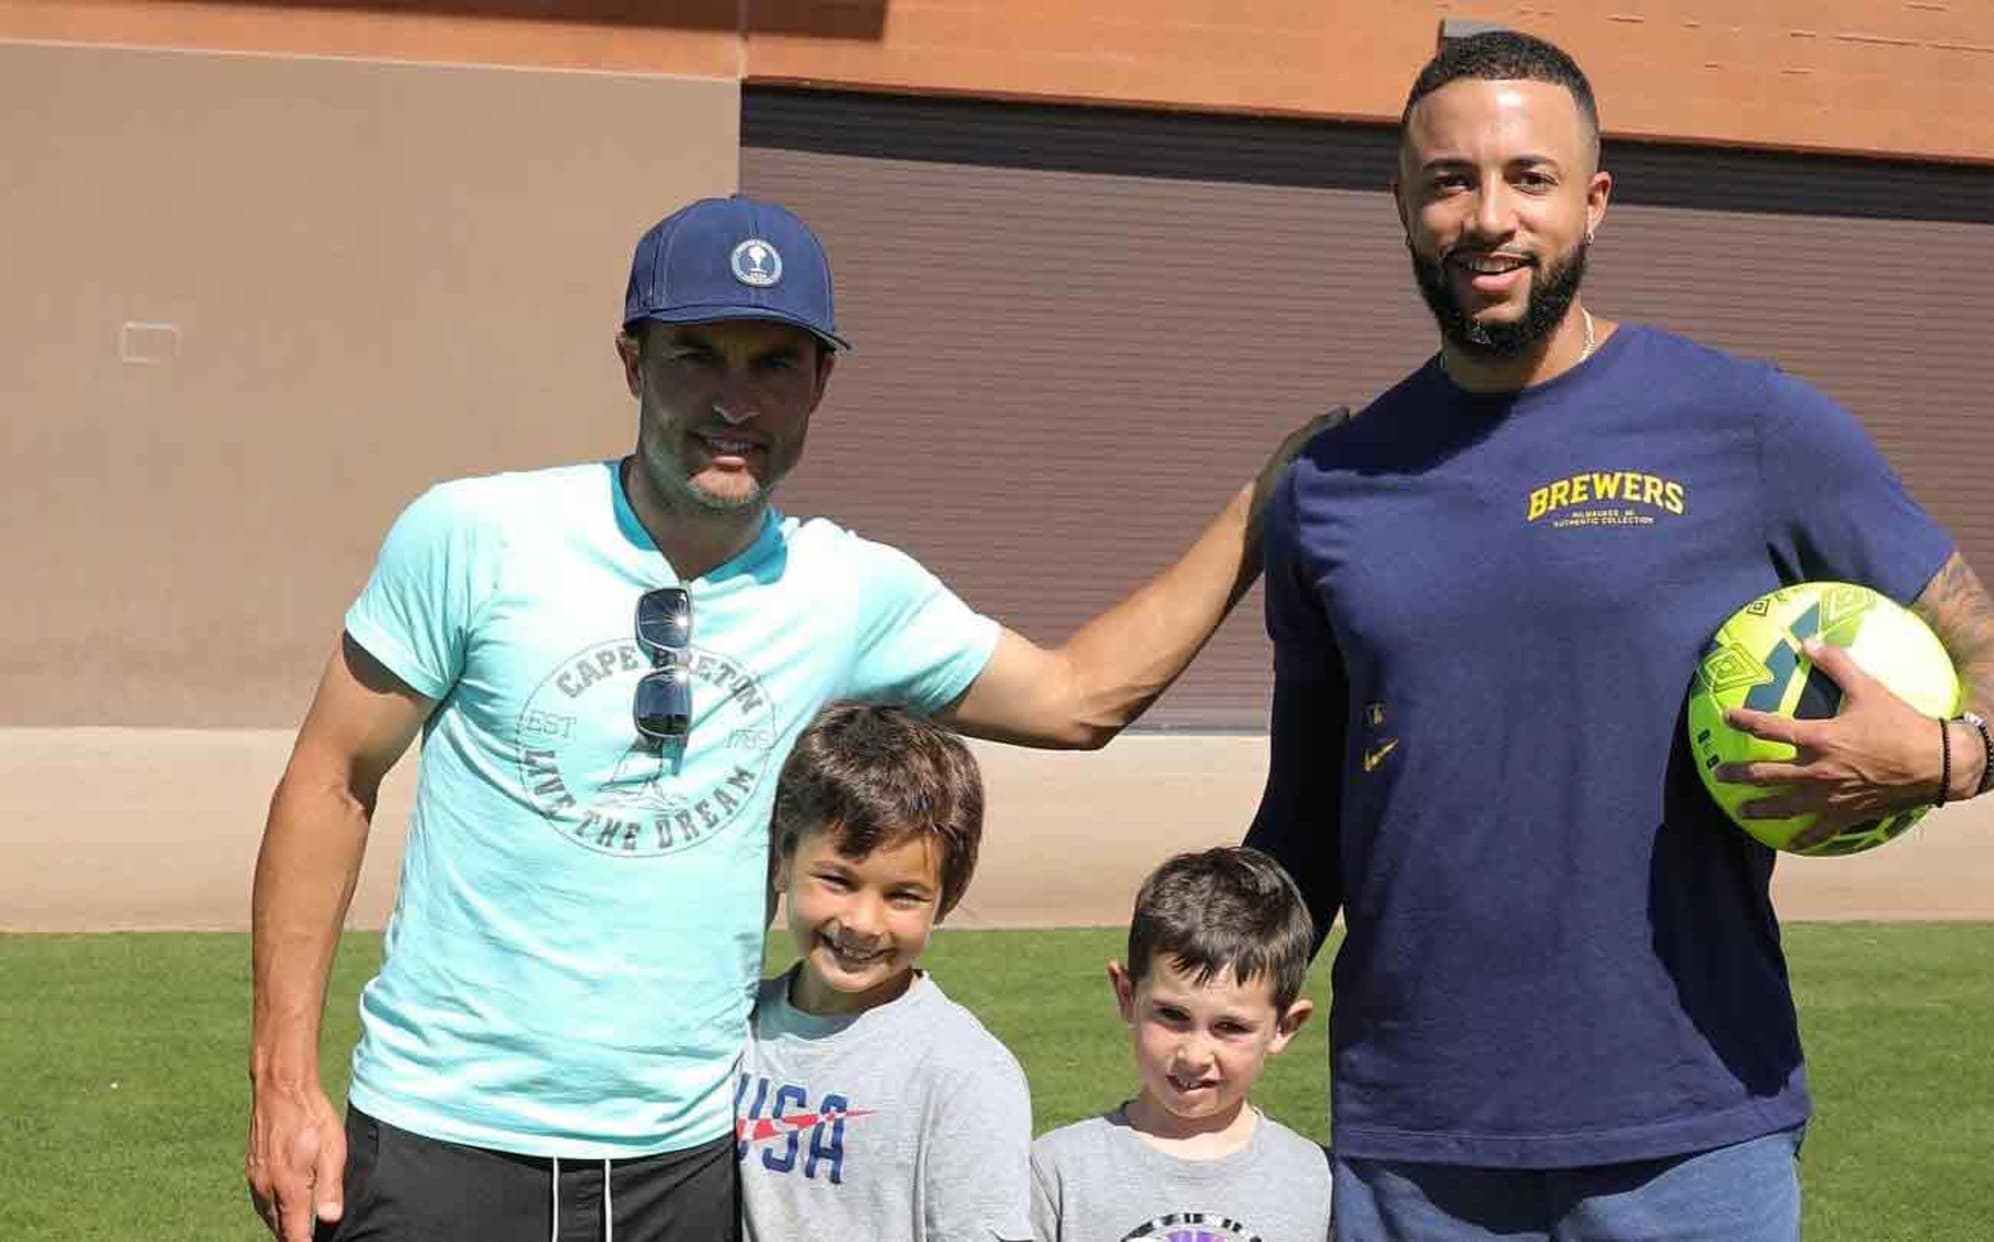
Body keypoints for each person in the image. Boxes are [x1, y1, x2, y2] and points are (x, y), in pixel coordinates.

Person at [245, 194, 1320, 1242]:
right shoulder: (475, 535)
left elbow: (1081, 698)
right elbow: (331, 779)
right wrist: (285, 1081)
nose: (735, 400)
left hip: (689, 1158)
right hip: (445, 1142)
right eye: (697, 355)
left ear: (819, 383)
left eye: (774, 365)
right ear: (632, 361)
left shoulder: (841, 589)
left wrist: (1263, 507)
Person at [1245, 30, 1994, 1240]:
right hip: (1416, 1143)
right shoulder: (1335, 486)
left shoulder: (1751, 426)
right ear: (1404, 205)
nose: (1489, 217)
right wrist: (1209, 991)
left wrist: (1946, 756)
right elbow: (1302, 819)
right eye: (1450, 180)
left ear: (1595, 200)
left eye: (1530, 177)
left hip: (1694, 1126)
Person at [740, 703, 1031, 1241]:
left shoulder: (965, 1074)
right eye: (836, 880)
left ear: (947, 900)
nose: (862, 923)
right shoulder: (733, 1026)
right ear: (781, 860)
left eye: (903, 896)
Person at [1029, 846, 1330, 1242]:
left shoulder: (1317, 1181)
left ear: (1284, 1027)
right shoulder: (1058, 1171)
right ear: (1126, 995)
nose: (1194, 1056)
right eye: (1172, 1016)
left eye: (1229, 1027)